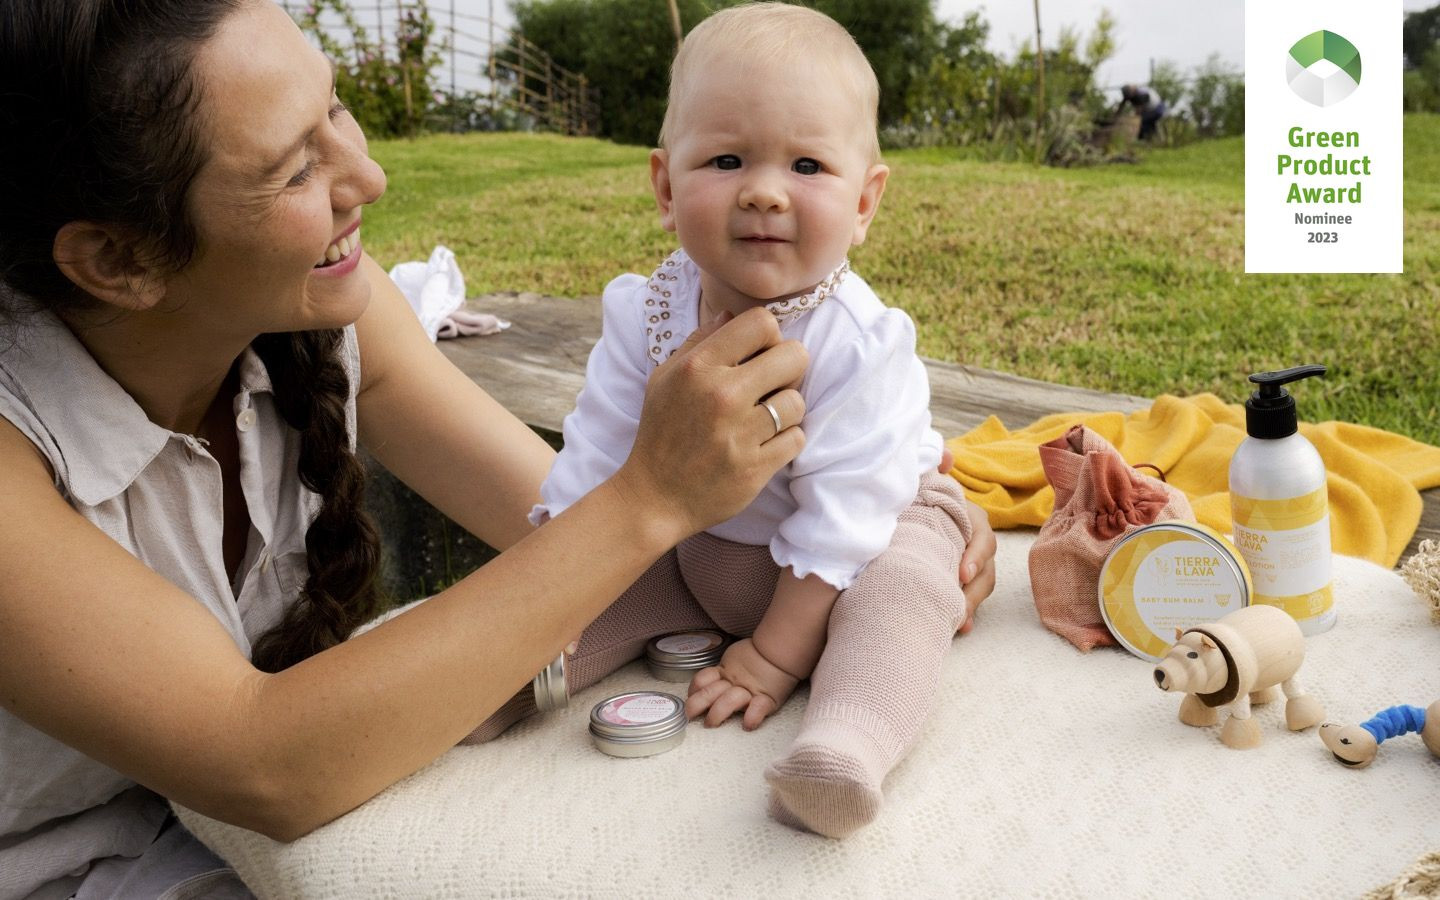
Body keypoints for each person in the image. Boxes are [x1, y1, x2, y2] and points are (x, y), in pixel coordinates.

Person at [0, 0, 998, 895]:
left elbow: (561, 529)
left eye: (337, 111)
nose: (371, 176)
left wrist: (901, 537)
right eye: (295, 166)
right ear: (117, 258)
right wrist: (652, 496)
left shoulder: (327, 312)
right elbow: (266, 766)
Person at [526, 3, 976, 840]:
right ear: (665, 186)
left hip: (861, 550)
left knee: (908, 592)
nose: (764, 191)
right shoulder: (645, 314)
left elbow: (851, 512)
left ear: (866, 201)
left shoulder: (859, 341)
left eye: (808, 165)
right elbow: (594, 459)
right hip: (702, 547)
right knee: (610, 588)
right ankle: (514, 672)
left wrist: (773, 655)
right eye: (726, 159)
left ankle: (845, 745)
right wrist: (553, 584)